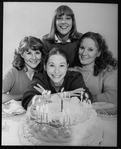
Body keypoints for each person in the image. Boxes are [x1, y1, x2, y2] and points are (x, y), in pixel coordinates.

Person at [22, 47, 93, 110]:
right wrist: (63, 95)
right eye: (52, 65)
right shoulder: (40, 78)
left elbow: (86, 97)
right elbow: (28, 101)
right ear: (45, 67)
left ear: (67, 67)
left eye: (61, 65)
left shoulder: (75, 77)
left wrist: (47, 97)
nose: (56, 71)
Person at [69, 32, 117, 105]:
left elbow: (113, 97)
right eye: (82, 48)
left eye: (90, 50)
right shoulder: (69, 71)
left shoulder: (107, 71)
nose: (84, 53)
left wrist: (87, 98)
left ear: (98, 53)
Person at [2, 36, 46, 104]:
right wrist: (24, 96)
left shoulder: (43, 72)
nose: (34, 58)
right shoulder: (13, 72)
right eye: (29, 53)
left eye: (37, 53)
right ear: (22, 54)